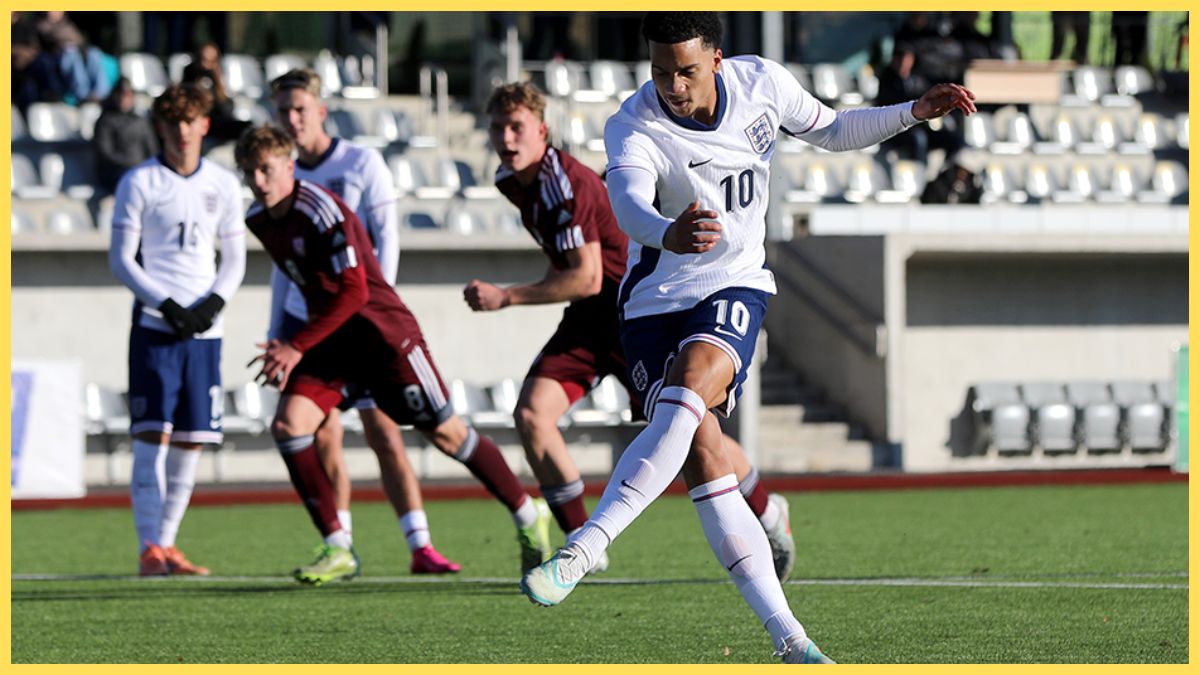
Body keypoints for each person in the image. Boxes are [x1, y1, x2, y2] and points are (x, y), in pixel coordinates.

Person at [520, 12, 975, 664]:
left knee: (688, 395)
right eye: (661, 71)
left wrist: (912, 111)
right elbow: (627, 203)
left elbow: (834, 128)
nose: (673, 84)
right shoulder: (635, 122)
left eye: (687, 69)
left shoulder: (763, 84)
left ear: (718, 58)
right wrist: (663, 231)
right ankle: (791, 640)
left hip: (734, 285)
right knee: (704, 458)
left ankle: (586, 546)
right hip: (652, 306)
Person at [468, 81, 797, 581]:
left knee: (694, 434)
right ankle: (584, 547)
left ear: (542, 131)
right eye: (497, 128)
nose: (506, 139)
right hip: (588, 317)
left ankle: (769, 511)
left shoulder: (561, 181)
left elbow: (587, 274)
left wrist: (506, 296)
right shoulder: (511, 180)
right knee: (533, 414)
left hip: (634, 312)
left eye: (517, 128)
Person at [236, 125, 549, 584]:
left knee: (448, 436)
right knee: (289, 426)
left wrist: (295, 345)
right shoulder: (259, 219)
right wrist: (288, 341)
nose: (259, 181)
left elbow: (355, 290)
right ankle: (337, 545)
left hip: (385, 338)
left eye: (266, 169)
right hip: (332, 343)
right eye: (249, 172)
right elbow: (306, 286)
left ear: (288, 165)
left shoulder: (321, 211)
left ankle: (527, 512)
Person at [266, 68, 462, 575]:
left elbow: (386, 239)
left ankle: (420, 545)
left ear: (320, 110)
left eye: (300, 109)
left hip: (364, 322)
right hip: (312, 327)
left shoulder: (360, 162)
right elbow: (282, 268)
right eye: (283, 111)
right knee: (322, 433)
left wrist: (375, 315)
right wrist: (277, 331)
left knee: (384, 431)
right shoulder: (280, 174)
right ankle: (340, 546)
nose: (292, 119)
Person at [108, 83, 247, 577]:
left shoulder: (225, 184)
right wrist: (165, 305)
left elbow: (234, 259)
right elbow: (122, 260)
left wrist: (211, 304)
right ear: (160, 127)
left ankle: (167, 545)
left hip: (205, 333)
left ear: (205, 125)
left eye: (190, 121)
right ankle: (148, 546)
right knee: (152, 437)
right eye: (172, 122)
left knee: (192, 440)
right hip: (154, 327)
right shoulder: (139, 182)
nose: (182, 131)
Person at [93, 77, 159, 194]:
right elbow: (105, 153)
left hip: (142, 170)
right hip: (116, 172)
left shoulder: (141, 121)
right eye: (120, 94)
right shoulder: (105, 121)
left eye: (127, 95)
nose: (123, 99)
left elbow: (152, 150)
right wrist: (131, 165)